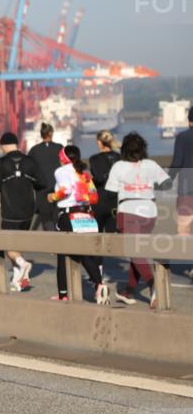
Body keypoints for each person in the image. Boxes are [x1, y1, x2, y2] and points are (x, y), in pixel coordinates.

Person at [106, 132, 173, 308]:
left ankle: (153, 285)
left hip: (128, 211)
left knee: (135, 251)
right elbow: (167, 183)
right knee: (137, 252)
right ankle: (128, 290)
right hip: (149, 212)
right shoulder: (150, 164)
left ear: (124, 149)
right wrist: (148, 186)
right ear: (143, 149)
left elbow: (110, 193)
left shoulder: (118, 166)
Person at [47, 145, 109, 304]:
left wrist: (52, 197)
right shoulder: (84, 173)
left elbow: (65, 190)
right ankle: (99, 284)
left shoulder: (61, 171)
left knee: (62, 255)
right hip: (87, 216)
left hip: (69, 216)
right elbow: (94, 197)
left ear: (63, 158)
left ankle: (63, 294)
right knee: (85, 253)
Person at [0, 132, 44, 291]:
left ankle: (23, 263)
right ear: (16, 144)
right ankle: (17, 279)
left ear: (3, 146)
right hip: (28, 211)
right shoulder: (30, 161)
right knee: (18, 245)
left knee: (9, 246)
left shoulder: (1, 163)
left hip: (10, 211)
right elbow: (42, 183)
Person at [28, 122, 63, 231]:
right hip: (57, 187)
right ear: (51, 133)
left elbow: (29, 168)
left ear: (41, 134)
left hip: (41, 189)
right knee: (57, 215)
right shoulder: (59, 148)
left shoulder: (34, 150)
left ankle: (49, 236)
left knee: (45, 217)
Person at [89, 131, 122, 234]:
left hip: (101, 201)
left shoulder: (94, 159)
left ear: (99, 142)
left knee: (96, 234)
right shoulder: (119, 157)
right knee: (113, 235)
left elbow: (99, 178)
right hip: (116, 201)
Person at [169, 106, 193, 239]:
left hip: (187, 188)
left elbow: (177, 163)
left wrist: (168, 179)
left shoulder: (182, 137)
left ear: (190, 121)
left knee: (183, 229)